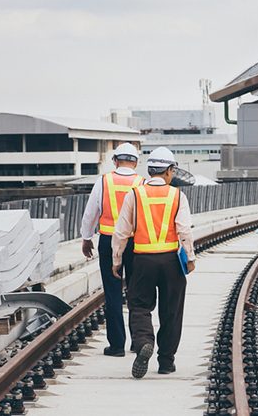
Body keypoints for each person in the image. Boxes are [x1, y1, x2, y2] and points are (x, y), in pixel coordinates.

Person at [111, 146, 196, 379]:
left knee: (139, 306)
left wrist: (116, 260)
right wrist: (189, 258)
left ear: (149, 170)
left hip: (142, 261)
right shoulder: (178, 196)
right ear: (169, 171)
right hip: (170, 261)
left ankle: (143, 342)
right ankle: (166, 361)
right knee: (172, 311)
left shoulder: (134, 194)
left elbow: (121, 232)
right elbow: (184, 231)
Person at [80, 143, 143, 357]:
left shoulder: (104, 181)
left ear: (115, 160)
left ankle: (117, 346)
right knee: (136, 292)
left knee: (113, 293)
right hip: (135, 243)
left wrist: (86, 238)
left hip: (108, 241)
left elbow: (90, 213)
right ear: (136, 162)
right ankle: (138, 341)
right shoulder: (141, 183)